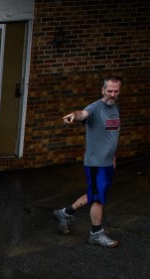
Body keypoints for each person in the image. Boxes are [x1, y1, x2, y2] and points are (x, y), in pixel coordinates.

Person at [53, 77, 123, 248]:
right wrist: (73, 115)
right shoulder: (95, 107)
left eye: (116, 91)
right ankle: (96, 233)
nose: (112, 94)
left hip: (107, 162)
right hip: (95, 163)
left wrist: (113, 156)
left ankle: (64, 213)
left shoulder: (115, 107)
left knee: (94, 193)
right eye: (109, 91)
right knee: (98, 198)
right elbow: (82, 114)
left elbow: (112, 135)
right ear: (102, 90)